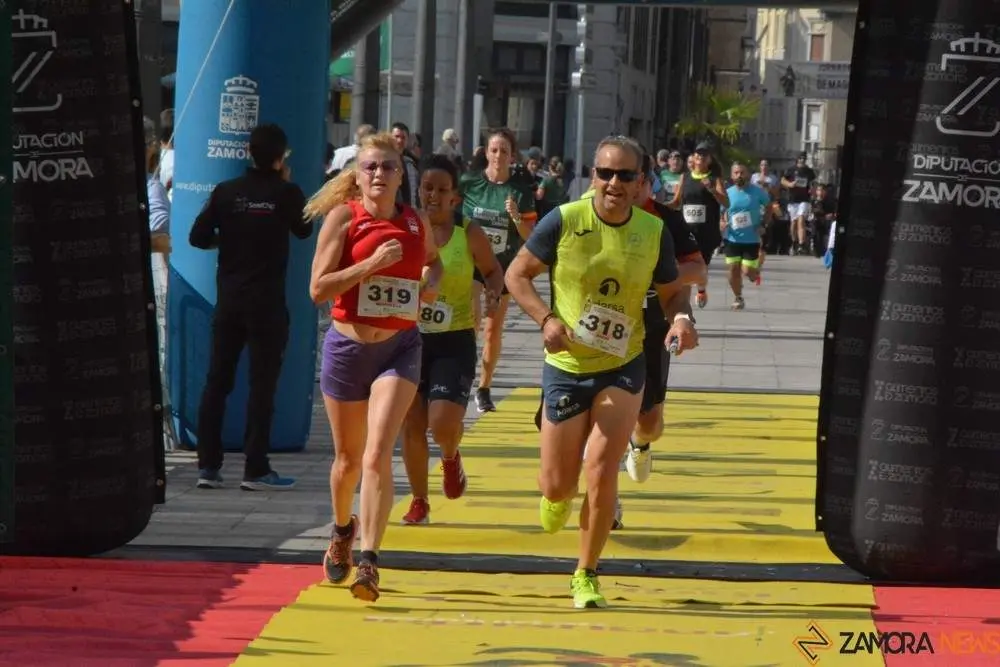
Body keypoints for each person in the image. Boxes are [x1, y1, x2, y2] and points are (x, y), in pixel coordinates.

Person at [505, 136, 698, 609]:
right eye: (605, 173)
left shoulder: (653, 232)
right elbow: (516, 275)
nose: (614, 183)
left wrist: (682, 319)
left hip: (622, 362)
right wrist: (546, 320)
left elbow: (674, 292)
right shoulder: (565, 220)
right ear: (592, 176)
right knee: (558, 485)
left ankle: (586, 573)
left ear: (639, 184)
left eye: (625, 176)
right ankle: (554, 497)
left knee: (602, 467)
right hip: (567, 366)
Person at [308, 132, 443, 602]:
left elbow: (435, 263)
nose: (379, 175)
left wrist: (430, 284)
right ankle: (343, 528)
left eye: (388, 167)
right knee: (347, 461)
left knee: (377, 454)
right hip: (348, 349)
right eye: (371, 167)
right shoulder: (344, 219)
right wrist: (367, 268)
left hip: (399, 348)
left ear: (401, 173)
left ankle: (369, 561)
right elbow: (318, 289)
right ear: (357, 175)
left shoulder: (414, 221)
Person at [190, 123, 313, 491]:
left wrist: (227, 241)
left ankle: (207, 467)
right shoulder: (287, 193)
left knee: (217, 382)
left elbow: (197, 237)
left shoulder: (226, 192)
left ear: (249, 153)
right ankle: (255, 467)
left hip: (229, 301)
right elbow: (304, 230)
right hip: (267, 305)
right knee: (262, 386)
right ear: (280, 158)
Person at [400, 156, 504, 525]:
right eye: (427, 187)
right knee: (412, 424)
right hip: (409, 338)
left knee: (441, 423)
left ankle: (449, 456)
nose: (433, 196)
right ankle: (419, 500)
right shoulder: (406, 227)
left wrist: (493, 292)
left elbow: (493, 270)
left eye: (442, 190)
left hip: (454, 338)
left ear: (455, 197)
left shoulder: (468, 233)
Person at [460, 127, 537, 413]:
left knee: (492, 329)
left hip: (502, 268)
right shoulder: (468, 184)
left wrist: (516, 217)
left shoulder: (520, 192)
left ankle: (484, 387)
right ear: (486, 152)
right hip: (470, 265)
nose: (498, 156)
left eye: (504, 151)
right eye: (494, 150)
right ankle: (463, 378)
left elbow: (531, 236)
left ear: (512, 156)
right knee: (472, 322)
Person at [669, 141, 729, 309]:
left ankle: (701, 289)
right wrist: (658, 207)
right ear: (693, 158)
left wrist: (713, 190)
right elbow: (676, 202)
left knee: (701, 265)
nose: (701, 158)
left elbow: (726, 202)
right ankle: (684, 307)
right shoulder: (685, 177)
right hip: (686, 230)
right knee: (685, 267)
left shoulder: (714, 178)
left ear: (709, 160)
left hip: (706, 231)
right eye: (698, 154)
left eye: (704, 155)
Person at [722, 161, 772, 311]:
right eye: (736, 173)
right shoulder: (727, 193)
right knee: (732, 269)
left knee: (747, 272)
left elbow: (769, 207)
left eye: (742, 172)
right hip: (732, 238)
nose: (739, 175)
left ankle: (755, 271)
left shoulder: (757, 192)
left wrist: (764, 224)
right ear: (731, 175)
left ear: (748, 175)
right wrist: (722, 222)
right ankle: (738, 297)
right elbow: (722, 211)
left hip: (751, 238)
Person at [780, 153, 816, 255]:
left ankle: (801, 244)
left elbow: (813, 183)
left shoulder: (809, 171)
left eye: (804, 158)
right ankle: (794, 242)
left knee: (801, 219)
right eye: (800, 158)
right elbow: (782, 180)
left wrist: (812, 189)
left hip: (804, 199)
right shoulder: (791, 169)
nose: (802, 160)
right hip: (793, 199)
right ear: (797, 159)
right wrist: (790, 184)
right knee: (794, 222)